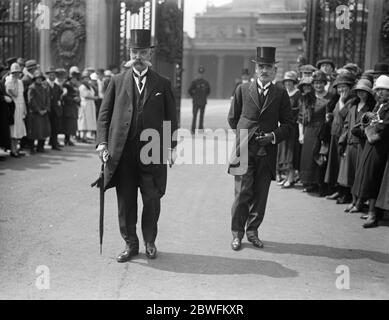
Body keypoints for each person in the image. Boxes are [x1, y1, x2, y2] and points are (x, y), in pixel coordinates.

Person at [96, 29, 178, 262]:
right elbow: (104, 115)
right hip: (123, 152)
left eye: (142, 51)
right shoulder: (117, 81)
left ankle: (149, 241)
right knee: (126, 199)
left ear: (150, 54)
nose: (138, 56)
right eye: (135, 51)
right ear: (130, 53)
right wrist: (102, 143)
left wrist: (171, 146)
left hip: (152, 150)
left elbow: (170, 119)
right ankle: (130, 244)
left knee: (152, 198)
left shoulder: (162, 83)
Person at [227, 46, 293, 250]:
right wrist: (245, 135)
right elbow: (233, 118)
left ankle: (253, 231)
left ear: (275, 70)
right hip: (244, 149)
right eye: (261, 67)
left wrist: (272, 136)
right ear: (256, 70)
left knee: (261, 193)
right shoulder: (242, 89)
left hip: (267, 151)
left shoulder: (280, 93)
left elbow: (289, 124)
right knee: (242, 193)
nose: (264, 70)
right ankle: (237, 234)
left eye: (269, 67)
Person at [352, 75, 389, 228]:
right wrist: (369, 126)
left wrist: (370, 128)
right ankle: (372, 209)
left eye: (383, 90)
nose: (379, 93)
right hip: (372, 144)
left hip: (381, 146)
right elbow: (369, 121)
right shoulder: (379, 105)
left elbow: (384, 127)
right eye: (378, 90)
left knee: (374, 177)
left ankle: (373, 213)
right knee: (368, 175)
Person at [340, 79, 376, 213]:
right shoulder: (353, 105)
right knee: (350, 173)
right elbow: (345, 123)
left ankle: (359, 202)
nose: (361, 94)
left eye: (364, 91)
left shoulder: (371, 107)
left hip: (362, 143)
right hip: (350, 143)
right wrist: (343, 141)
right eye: (359, 91)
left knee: (359, 174)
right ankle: (353, 200)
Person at [298, 71, 333, 195]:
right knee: (307, 157)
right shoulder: (308, 97)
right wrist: (301, 134)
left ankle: (320, 183)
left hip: (323, 131)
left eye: (321, 83)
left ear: (325, 83)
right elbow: (301, 117)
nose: (318, 86)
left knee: (320, 156)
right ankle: (309, 183)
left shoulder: (331, 97)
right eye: (316, 83)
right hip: (309, 130)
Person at [324, 73, 356, 203]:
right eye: (339, 87)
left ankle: (345, 194)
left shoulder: (351, 101)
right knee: (336, 164)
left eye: (344, 87)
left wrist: (342, 102)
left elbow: (345, 115)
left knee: (344, 166)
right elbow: (337, 114)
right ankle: (337, 190)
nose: (341, 90)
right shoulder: (339, 100)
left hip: (344, 137)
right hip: (335, 134)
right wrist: (330, 116)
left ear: (349, 87)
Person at [277, 71, 301, 188]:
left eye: (290, 82)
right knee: (283, 151)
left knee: (290, 151)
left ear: (294, 82)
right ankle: (286, 176)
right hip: (283, 126)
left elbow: (300, 110)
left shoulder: (297, 95)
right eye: (286, 82)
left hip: (292, 127)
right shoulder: (283, 93)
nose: (288, 84)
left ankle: (291, 177)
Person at [5, 63, 27, 157]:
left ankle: (16, 149)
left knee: (18, 129)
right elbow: (15, 94)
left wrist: (24, 108)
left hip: (20, 107)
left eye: (18, 72)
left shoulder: (20, 82)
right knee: (13, 129)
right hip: (13, 108)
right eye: (14, 72)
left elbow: (21, 96)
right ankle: (13, 150)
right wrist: (14, 81)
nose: (16, 74)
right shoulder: (9, 81)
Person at [27, 70, 51, 153]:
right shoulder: (32, 88)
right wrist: (38, 110)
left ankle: (40, 147)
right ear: (35, 79)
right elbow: (31, 100)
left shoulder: (44, 88)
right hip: (35, 113)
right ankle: (31, 148)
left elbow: (48, 99)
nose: (39, 80)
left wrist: (46, 109)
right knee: (33, 131)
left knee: (44, 131)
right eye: (38, 78)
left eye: (41, 78)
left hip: (44, 112)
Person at [188, 66, 211, 134]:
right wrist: (194, 96)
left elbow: (208, 91)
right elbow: (189, 90)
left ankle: (200, 129)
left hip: (203, 101)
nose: (200, 75)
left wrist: (204, 96)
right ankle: (193, 129)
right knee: (194, 116)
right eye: (199, 74)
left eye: (201, 74)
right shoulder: (194, 82)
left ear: (203, 74)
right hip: (196, 102)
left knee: (201, 116)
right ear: (198, 74)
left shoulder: (206, 82)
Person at [45, 67, 63, 150]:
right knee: (46, 127)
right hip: (47, 109)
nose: (52, 76)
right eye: (51, 74)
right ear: (48, 75)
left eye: (54, 75)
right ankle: (42, 144)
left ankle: (54, 143)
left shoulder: (57, 86)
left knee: (55, 127)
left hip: (55, 109)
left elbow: (59, 97)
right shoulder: (44, 84)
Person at [62, 66, 81, 146]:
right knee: (68, 124)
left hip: (73, 107)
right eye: (73, 78)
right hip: (68, 107)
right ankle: (66, 139)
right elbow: (65, 97)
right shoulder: (66, 86)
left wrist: (78, 99)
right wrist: (73, 99)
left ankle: (69, 139)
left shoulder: (74, 86)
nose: (74, 79)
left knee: (72, 124)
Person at [78, 71, 97, 142]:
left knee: (88, 120)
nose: (87, 80)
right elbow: (85, 95)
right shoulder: (82, 87)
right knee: (83, 120)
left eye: (87, 78)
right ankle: (82, 136)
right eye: (85, 78)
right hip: (85, 104)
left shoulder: (89, 86)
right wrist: (94, 97)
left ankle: (85, 136)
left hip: (90, 104)